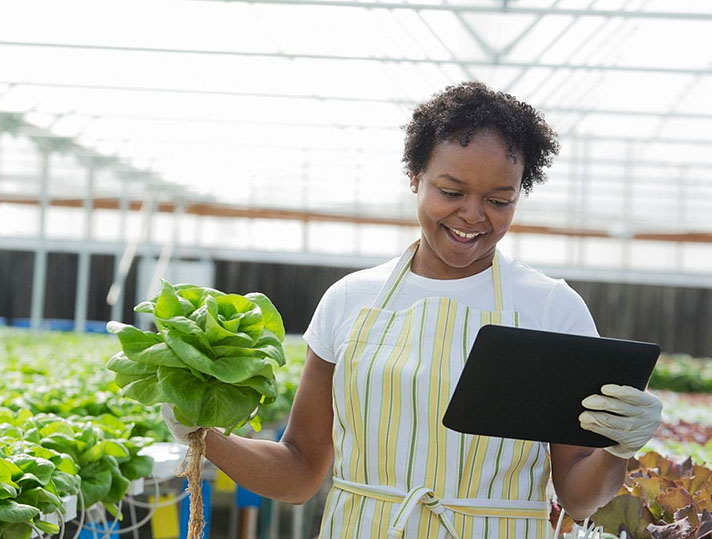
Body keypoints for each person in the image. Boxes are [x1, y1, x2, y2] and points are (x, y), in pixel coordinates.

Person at [163, 81, 662, 538]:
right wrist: (206, 437)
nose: (472, 215)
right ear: (414, 177)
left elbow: (577, 497)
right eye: (450, 192)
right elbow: (299, 472)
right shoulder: (350, 300)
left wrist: (618, 449)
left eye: (499, 200)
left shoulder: (552, 308)